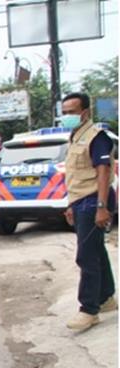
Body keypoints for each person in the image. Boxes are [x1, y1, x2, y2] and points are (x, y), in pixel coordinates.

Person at [61, 92, 117, 332]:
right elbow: (75, 175)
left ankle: (89, 310)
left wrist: (102, 207)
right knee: (96, 249)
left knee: (86, 255)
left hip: (95, 200)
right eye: (64, 113)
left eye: (72, 112)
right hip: (81, 201)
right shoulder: (75, 137)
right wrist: (70, 205)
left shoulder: (97, 137)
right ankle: (106, 298)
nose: (67, 117)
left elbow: (103, 171)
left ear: (85, 113)